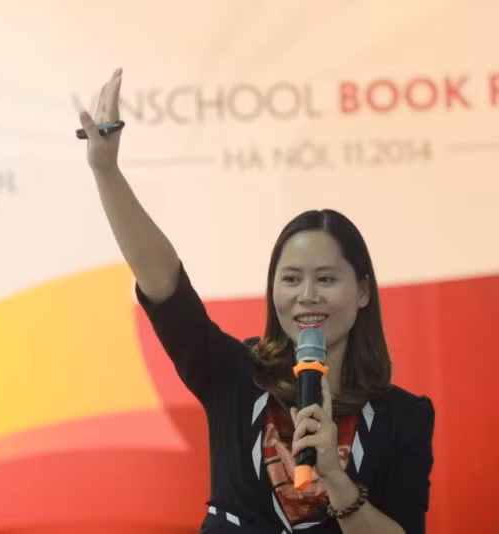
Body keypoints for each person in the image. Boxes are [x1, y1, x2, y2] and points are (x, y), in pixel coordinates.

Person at [76, 68, 434, 534]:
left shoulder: (404, 417)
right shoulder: (233, 375)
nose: (307, 295)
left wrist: (335, 478)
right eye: (291, 279)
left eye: (326, 279)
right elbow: (164, 282)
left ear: (363, 290)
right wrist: (106, 172)